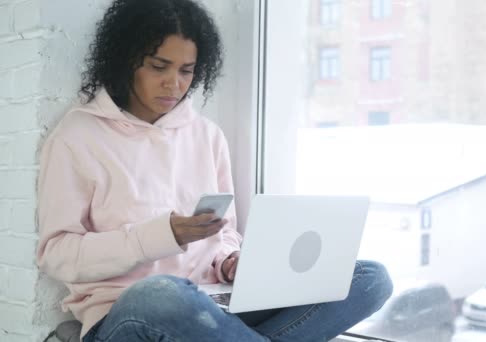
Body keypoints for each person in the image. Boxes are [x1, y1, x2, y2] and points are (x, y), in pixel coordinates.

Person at [36, 0, 393, 341]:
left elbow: (224, 233)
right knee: (163, 294)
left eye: (186, 71)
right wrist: (160, 235)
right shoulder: (78, 136)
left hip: (212, 304)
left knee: (371, 278)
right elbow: (58, 254)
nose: (174, 84)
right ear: (125, 61)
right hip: (129, 312)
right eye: (159, 66)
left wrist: (229, 261)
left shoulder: (207, 136)